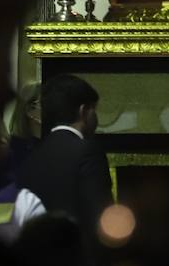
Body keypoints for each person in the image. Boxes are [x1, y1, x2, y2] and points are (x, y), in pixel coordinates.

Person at [16, 75, 111, 250]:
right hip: (78, 264)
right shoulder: (88, 152)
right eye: (94, 109)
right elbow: (100, 219)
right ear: (84, 111)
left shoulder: (32, 157)